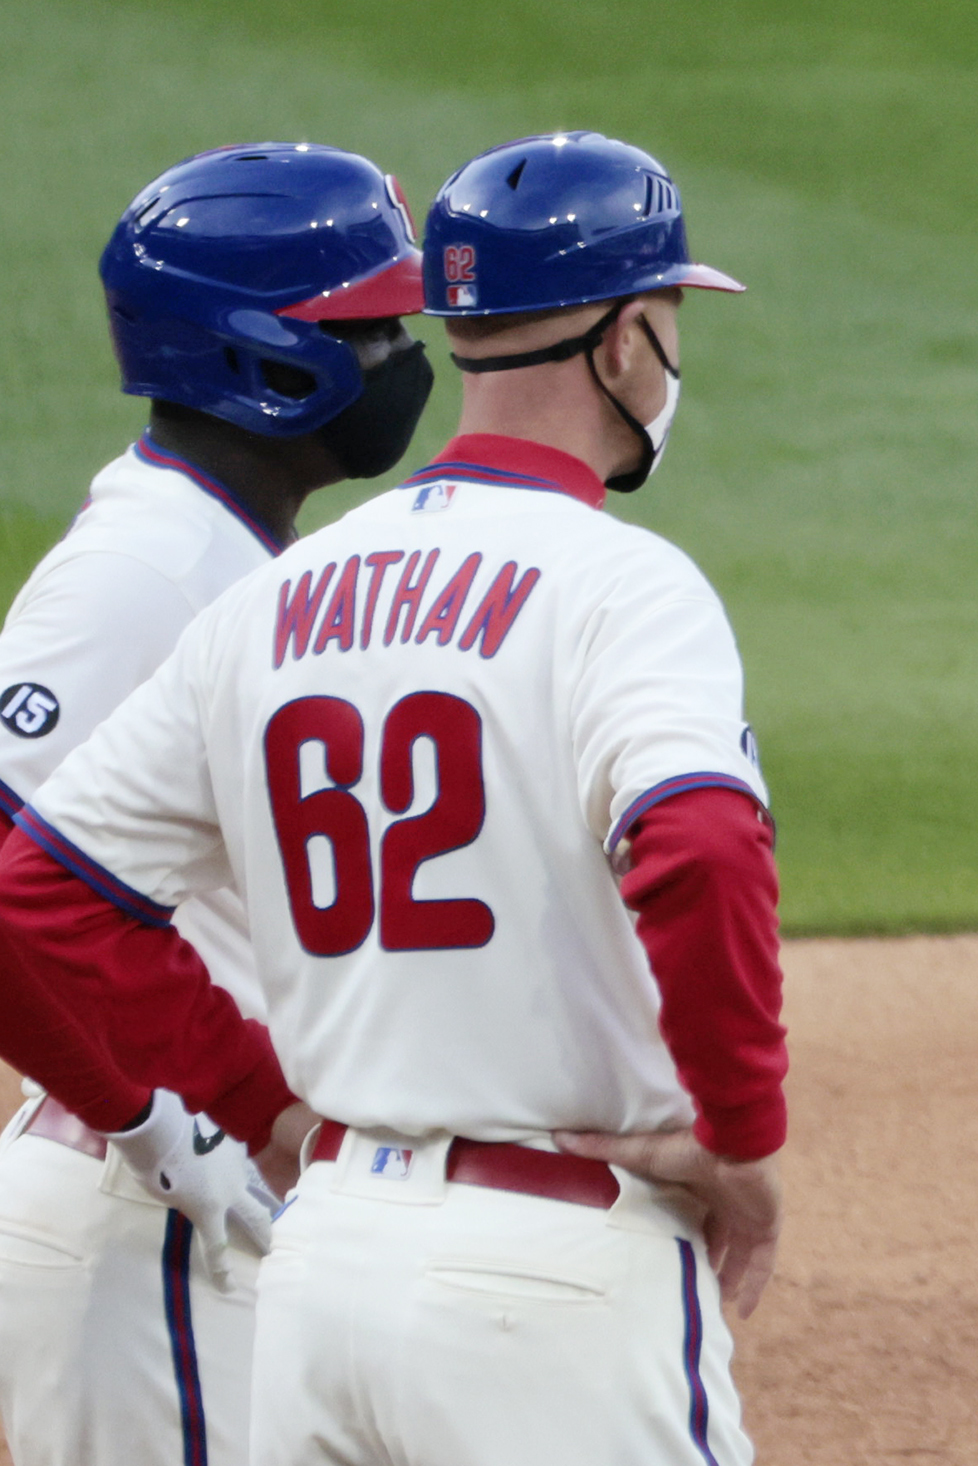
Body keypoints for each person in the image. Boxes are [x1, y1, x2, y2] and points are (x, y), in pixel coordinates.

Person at [0, 130, 783, 1465]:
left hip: (325, 1260)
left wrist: (267, 1108)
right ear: (620, 341)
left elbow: (42, 887)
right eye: (664, 317)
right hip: (544, 1272)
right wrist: (739, 1134)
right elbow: (701, 841)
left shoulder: (275, 594)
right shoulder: (624, 582)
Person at [0, 141, 430, 1466]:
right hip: (157, 1211)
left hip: (212, 1193)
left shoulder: (229, 550)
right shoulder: (143, 567)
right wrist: (158, 1118)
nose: (404, 361)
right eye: (368, 330)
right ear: (259, 357)